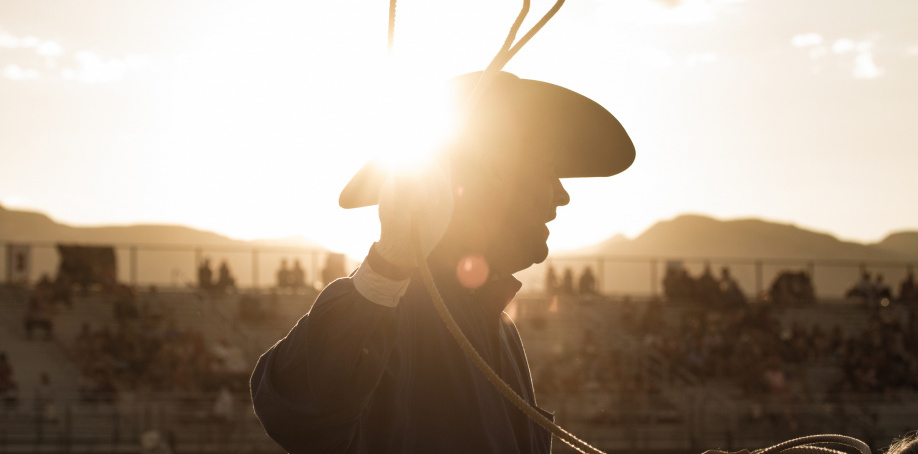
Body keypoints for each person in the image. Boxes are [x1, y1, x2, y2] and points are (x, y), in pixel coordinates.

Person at [250, 71, 635, 453]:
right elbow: (294, 410)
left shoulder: (502, 332)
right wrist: (386, 269)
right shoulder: (396, 307)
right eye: (547, 169)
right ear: (488, 178)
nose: (562, 194)